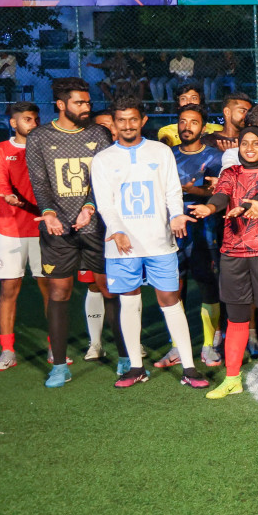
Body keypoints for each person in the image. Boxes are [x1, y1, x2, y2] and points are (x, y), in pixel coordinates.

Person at [89, 97, 208, 389]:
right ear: (114, 124)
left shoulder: (160, 151)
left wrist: (177, 215)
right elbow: (104, 203)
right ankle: (136, 367)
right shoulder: (103, 159)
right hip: (122, 245)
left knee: (170, 301)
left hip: (159, 242)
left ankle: (190, 368)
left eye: (133, 119)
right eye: (121, 120)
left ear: (143, 121)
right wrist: (116, 230)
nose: (127, 125)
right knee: (129, 303)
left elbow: (171, 190)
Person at [29, 78, 122, 388]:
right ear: (61, 104)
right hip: (58, 230)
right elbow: (40, 183)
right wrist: (49, 213)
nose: (87, 107)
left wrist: (91, 206)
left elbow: (108, 177)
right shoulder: (39, 137)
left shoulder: (99, 134)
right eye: (80, 103)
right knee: (59, 293)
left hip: (98, 227)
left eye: (87, 102)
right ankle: (59, 365)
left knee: (110, 288)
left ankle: (125, 357)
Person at [189, 126, 258, 400]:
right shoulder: (230, 173)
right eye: (245, 143)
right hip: (233, 253)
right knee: (236, 317)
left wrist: (249, 206)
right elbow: (221, 195)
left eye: (256, 144)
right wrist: (210, 208)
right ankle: (232, 378)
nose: (249, 148)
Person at [0, 102, 47, 371]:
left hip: (43, 228)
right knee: (9, 290)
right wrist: (5, 193)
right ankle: (8, 350)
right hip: (10, 229)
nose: (32, 124)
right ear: (13, 123)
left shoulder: (46, 149)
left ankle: (54, 347)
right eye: (26, 119)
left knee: (51, 290)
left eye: (35, 119)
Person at [165, 104, 224, 368]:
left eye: (193, 122)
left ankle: (209, 345)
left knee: (207, 284)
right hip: (171, 230)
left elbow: (217, 195)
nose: (187, 126)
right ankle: (176, 345)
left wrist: (194, 191)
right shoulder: (166, 156)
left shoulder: (214, 157)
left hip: (205, 228)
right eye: (183, 121)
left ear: (203, 126)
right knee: (173, 287)